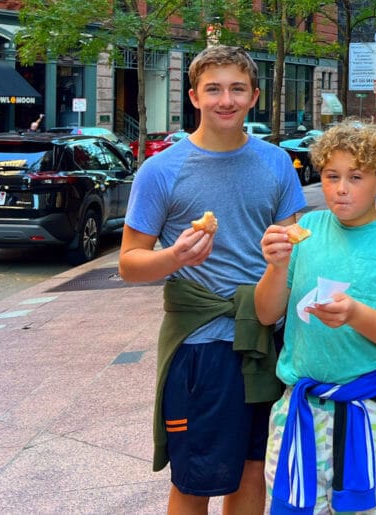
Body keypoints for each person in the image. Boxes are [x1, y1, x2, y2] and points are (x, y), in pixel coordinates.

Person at [118, 45, 306, 515]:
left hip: (265, 340)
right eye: (214, 89)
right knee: (196, 478)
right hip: (200, 347)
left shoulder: (276, 163)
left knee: (251, 468)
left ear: (254, 96)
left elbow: (295, 247)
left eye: (237, 89)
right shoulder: (162, 170)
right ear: (194, 96)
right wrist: (173, 257)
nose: (227, 99)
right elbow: (128, 262)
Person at [255, 123, 376, 515]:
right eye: (332, 177)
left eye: (356, 177)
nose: (341, 189)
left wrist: (355, 313)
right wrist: (276, 266)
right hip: (299, 410)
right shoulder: (305, 230)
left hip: (373, 415)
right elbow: (266, 313)